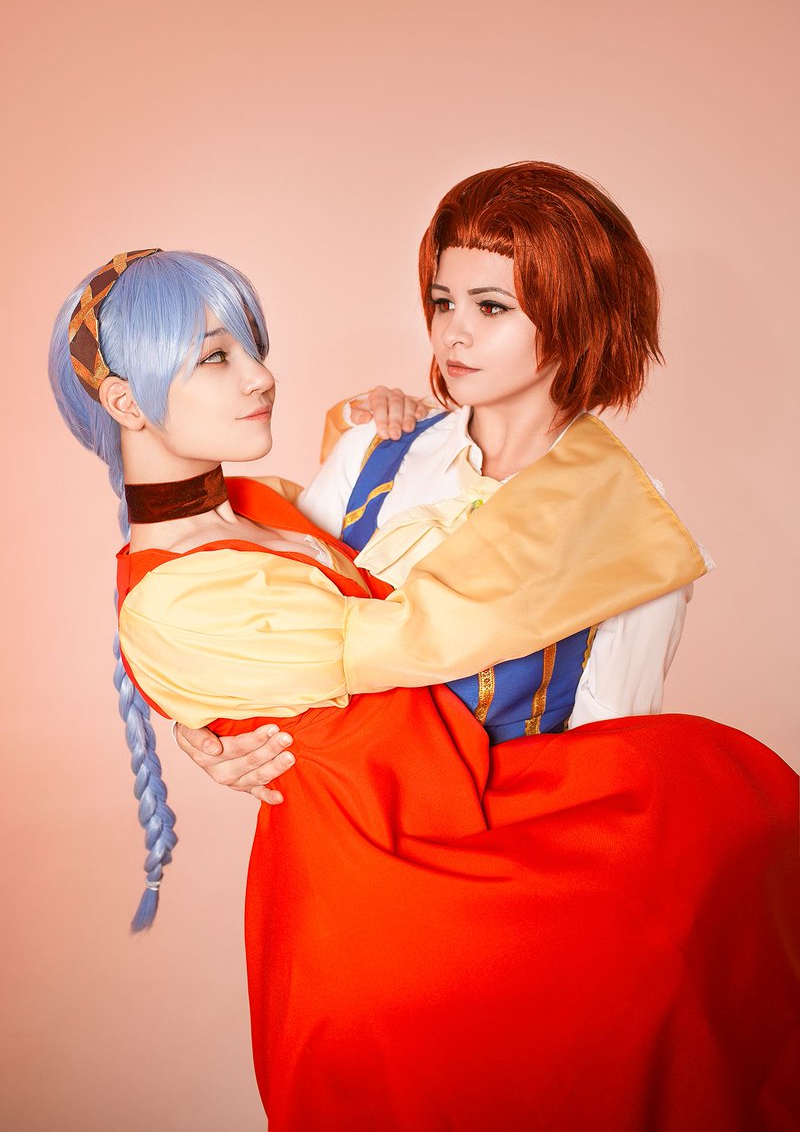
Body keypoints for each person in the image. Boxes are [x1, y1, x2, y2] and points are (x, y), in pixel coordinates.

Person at [50, 245, 799, 1131]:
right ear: (124, 402)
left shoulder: (258, 505)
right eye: (216, 357)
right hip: (388, 901)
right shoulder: (174, 596)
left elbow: (348, 560)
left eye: (253, 346)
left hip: (450, 836)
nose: (261, 376)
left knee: (717, 828)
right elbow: (410, 634)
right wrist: (600, 504)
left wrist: (379, 432)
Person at [175, 162, 703, 797]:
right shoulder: (371, 448)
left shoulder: (632, 524)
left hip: (502, 838)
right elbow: (264, 629)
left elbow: (606, 756)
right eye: (443, 301)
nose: (454, 332)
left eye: (491, 306)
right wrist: (215, 730)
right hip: (330, 822)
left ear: (578, 316)